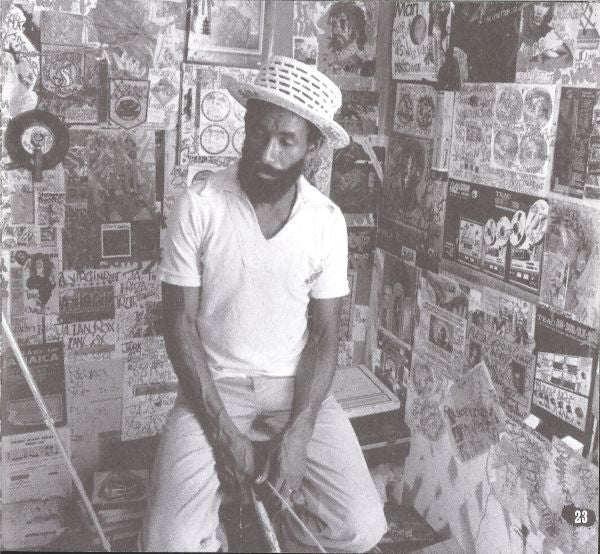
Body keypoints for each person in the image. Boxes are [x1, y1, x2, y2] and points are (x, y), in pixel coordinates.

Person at [142, 56, 386, 552]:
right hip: (213, 385)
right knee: (170, 541)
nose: (266, 153)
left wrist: (302, 429)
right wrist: (223, 433)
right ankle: (217, 536)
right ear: (247, 123)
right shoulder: (200, 205)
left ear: (312, 147)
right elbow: (179, 322)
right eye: (257, 132)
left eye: (286, 141)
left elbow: (325, 335)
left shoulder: (326, 221)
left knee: (362, 527)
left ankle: (286, 539)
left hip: (294, 389)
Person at [324, 1, 375, 76]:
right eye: (333, 24)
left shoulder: (365, 62)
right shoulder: (331, 61)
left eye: (342, 23)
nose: (335, 30)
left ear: (356, 27)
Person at [518, 2, 573, 69]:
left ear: (549, 9)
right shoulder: (517, 24)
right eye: (537, 3)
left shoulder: (549, 34)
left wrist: (542, 59)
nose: (539, 11)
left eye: (545, 5)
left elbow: (569, 58)